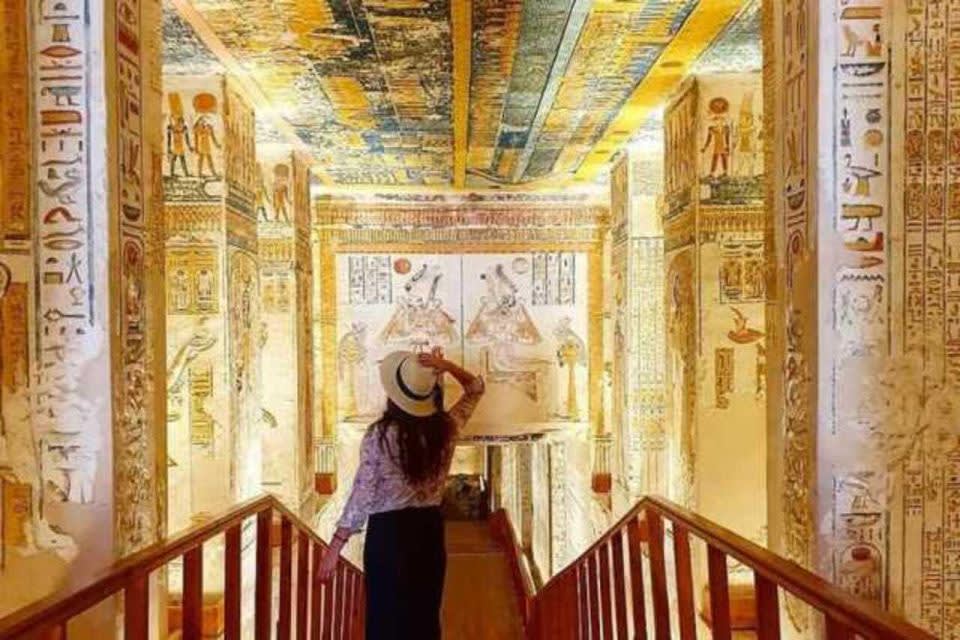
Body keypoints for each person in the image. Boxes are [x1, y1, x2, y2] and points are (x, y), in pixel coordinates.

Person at [319, 347, 484, 640]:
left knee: (385, 618)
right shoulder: (446, 430)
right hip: (429, 531)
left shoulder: (380, 435)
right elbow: (475, 389)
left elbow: (363, 492)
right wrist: (446, 366)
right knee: (424, 618)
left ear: (393, 394)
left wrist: (336, 545)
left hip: (388, 534)